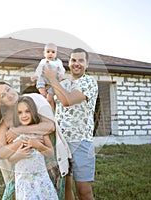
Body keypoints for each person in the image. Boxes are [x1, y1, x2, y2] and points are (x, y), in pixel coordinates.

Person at [0, 81, 71, 200]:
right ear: (1, 102)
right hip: (23, 173)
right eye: (3, 95)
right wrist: (20, 143)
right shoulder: (5, 121)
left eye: (8, 89)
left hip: (44, 167)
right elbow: (2, 153)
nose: (9, 95)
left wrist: (20, 130)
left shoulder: (30, 106)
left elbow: (51, 126)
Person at [43, 48, 98, 200]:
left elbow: (67, 100)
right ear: (69, 62)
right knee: (65, 188)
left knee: (83, 190)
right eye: (73, 60)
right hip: (62, 142)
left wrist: (52, 79)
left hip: (81, 142)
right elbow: (52, 103)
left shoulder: (89, 82)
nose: (76, 63)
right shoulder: (64, 83)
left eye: (81, 60)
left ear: (87, 64)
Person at [10, 96, 58, 199]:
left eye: (27, 111)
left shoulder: (41, 131)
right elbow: (10, 158)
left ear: (33, 111)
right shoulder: (15, 133)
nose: (24, 115)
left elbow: (50, 153)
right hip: (24, 180)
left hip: (41, 178)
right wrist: (18, 155)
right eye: (20, 112)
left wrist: (37, 145)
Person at [31, 43, 66, 111]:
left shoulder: (58, 61)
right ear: (44, 53)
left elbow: (62, 69)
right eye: (48, 52)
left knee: (51, 94)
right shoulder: (43, 61)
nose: (50, 54)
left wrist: (61, 75)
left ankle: (49, 97)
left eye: (53, 52)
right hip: (44, 77)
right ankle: (42, 92)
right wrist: (35, 75)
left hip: (54, 80)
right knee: (40, 79)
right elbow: (39, 69)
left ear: (56, 54)